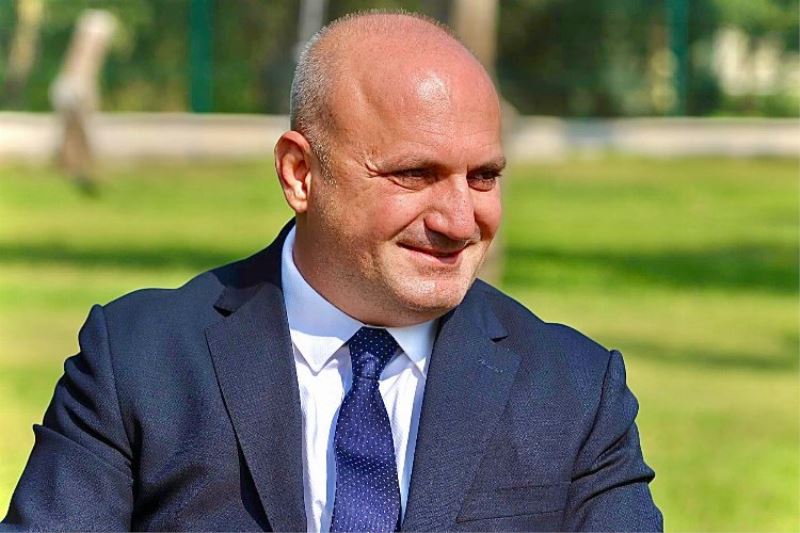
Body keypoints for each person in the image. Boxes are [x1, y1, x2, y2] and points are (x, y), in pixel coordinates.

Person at [2, 11, 662, 533]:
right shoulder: (140, 362)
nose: (460, 220)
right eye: (415, 173)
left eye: (484, 177)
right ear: (300, 173)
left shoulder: (574, 391)